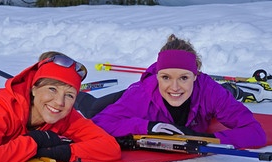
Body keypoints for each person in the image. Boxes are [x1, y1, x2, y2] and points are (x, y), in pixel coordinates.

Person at [88, 34, 266, 149]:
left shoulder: (210, 91)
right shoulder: (141, 95)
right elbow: (99, 124)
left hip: (204, 96)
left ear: (195, 76)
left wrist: (207, 139)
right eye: (166, 77)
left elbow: (255, 132)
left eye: (183, 78)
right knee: (92, 108)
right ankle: (82, 96)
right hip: (130, 95)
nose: (174, 87)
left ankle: (231, 90)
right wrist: (149, 126)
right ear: (158, 76)